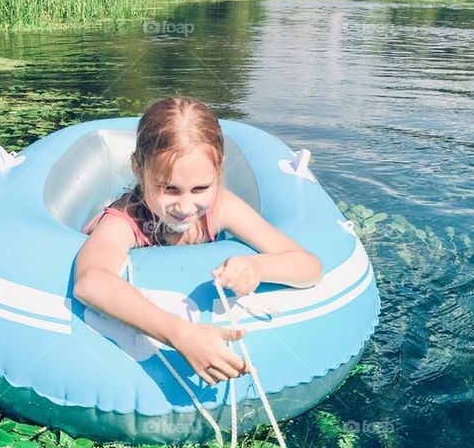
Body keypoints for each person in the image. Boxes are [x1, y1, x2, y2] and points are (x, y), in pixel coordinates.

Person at [73, 96, 322, 387]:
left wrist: (258, 267)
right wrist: (180, 334)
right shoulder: (124, 221)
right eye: (169, 189)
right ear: (138, 169)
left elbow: (309, 267)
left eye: (200, 188)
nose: (185, 207)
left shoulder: (221, 207)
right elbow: (90, 282)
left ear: (219, 170)